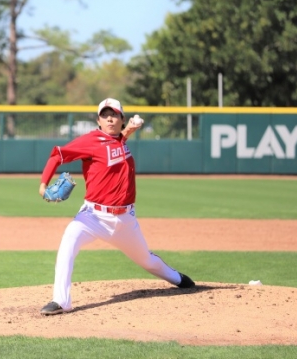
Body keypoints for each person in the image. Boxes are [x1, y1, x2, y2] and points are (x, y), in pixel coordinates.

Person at [38, 98, 195, 316]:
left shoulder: (120, 139)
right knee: (68, 242)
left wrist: (128, 131)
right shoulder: (91, 140)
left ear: (121, 119)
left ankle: (178, 279)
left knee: (147, 260)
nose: (110, 118)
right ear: (98, 120)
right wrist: (43, 183)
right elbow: (57, 155)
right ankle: (61, 301)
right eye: (105, 114)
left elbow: (115, 143)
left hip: (126, 220)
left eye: (115, 114)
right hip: (93, 217)